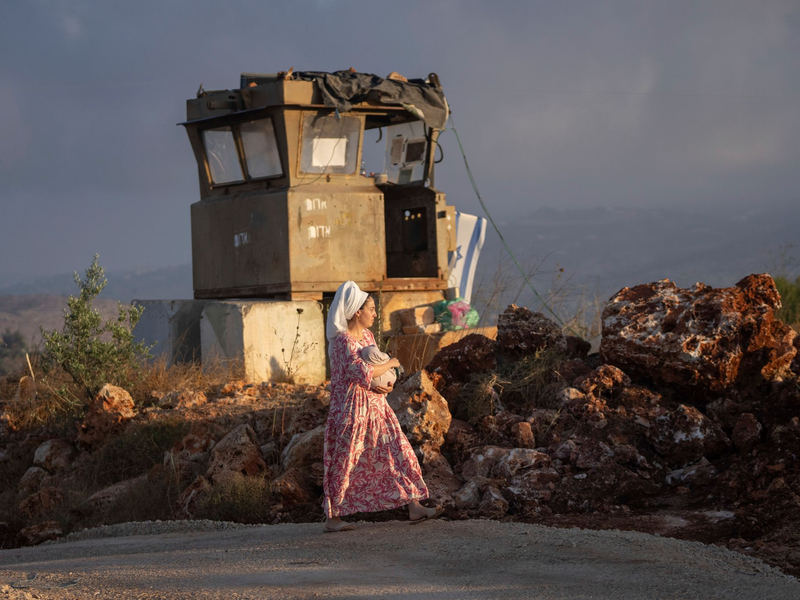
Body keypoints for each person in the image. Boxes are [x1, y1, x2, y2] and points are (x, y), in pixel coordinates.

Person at [322, 280, 445, 533]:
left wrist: (387, 385)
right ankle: (333, 518)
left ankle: (415, 506)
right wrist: (393, 363)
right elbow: (362, 372)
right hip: (351, 410)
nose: (375, 314)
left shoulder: (367, 336)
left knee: (398, 450)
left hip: (377, 406)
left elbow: (374, 371)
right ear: (357, 311)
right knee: (346, 461)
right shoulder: (343, 341)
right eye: (372, 309)